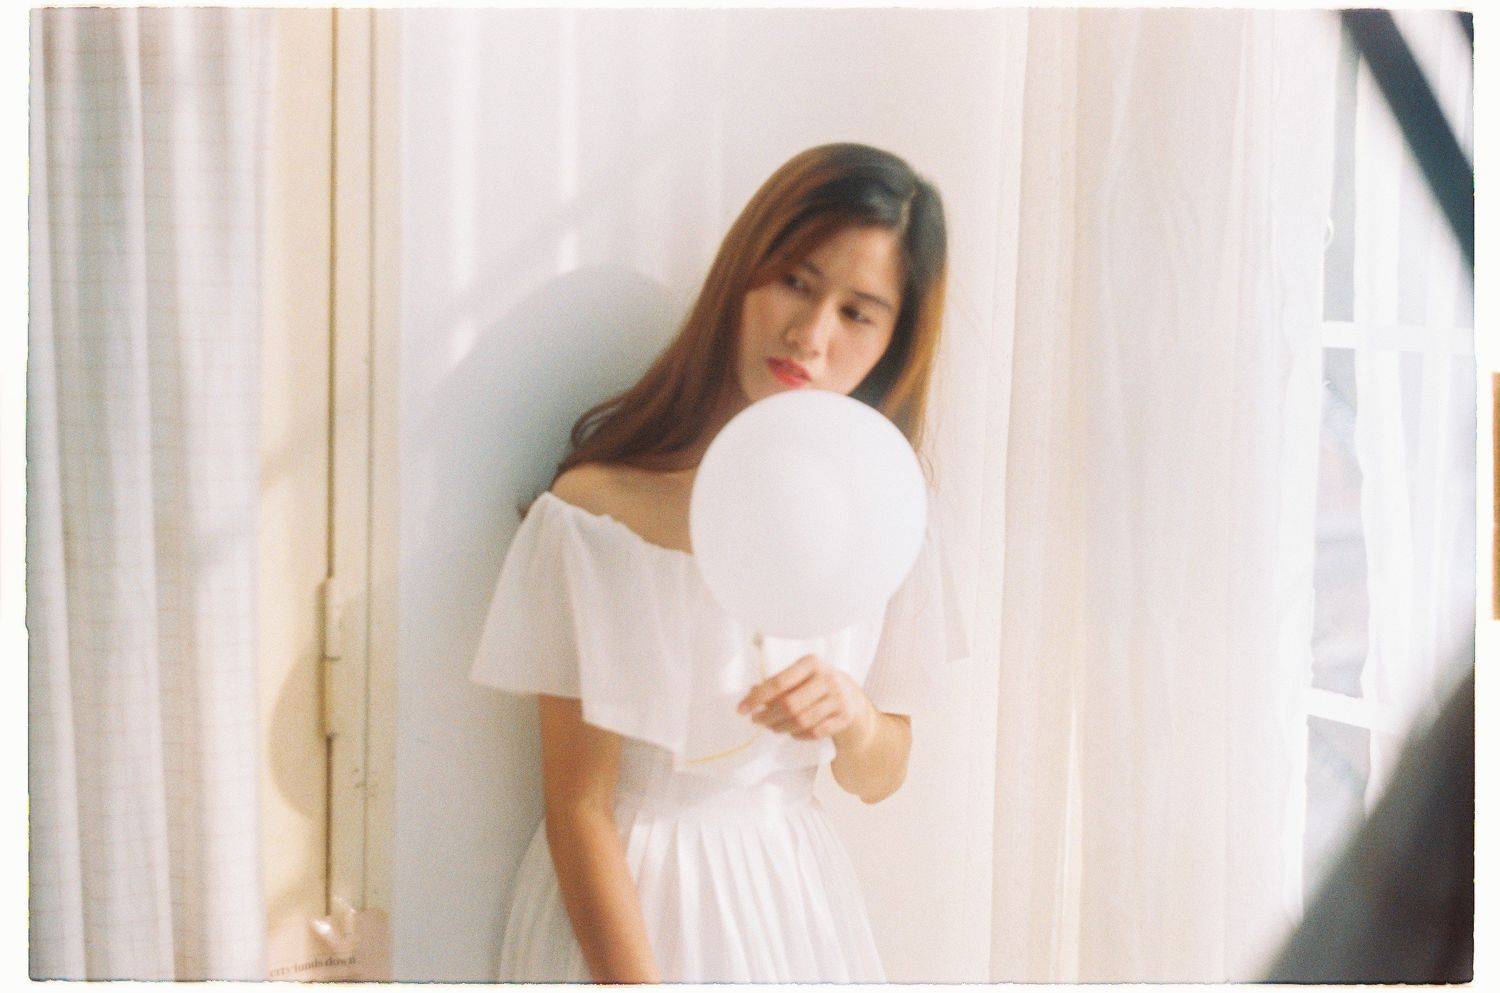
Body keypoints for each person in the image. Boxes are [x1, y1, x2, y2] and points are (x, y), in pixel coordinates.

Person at [469, 142, 969, 983]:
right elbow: (580, 807)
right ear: (744, 274)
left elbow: (881, 776)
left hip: (793, 901)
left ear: (894, 340)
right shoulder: (599, 512)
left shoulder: (890, 514)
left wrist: (851, 715)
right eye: (796, 282)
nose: (811, 335)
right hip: (633, 905)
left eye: (858, 313)